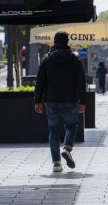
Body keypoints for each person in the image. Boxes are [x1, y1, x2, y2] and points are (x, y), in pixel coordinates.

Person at [34, 31, 86, 173]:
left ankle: (56, 164)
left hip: (51, 100)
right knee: (71, 125)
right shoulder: (75, 60)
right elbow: (81, 82)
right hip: (69, 99)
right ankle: (67, 148)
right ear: (67, 42)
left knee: (54, 131)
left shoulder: (46, 59)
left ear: (55, 42)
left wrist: (37, 101)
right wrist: (82, 101)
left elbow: (40, 82)